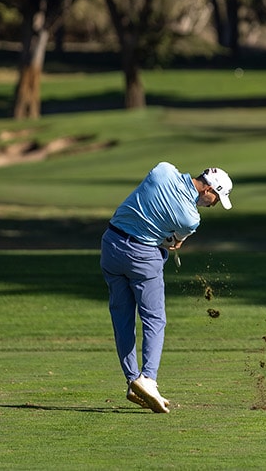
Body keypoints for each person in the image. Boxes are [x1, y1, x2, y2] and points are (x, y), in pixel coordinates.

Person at [102, 162, 233, 413]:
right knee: (154, 319)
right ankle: (148, 379)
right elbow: (172, 242)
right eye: (216, 199)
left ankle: (133, 380)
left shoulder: (162, 170)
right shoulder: (191, 218)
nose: (212, 205)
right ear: (208, 190)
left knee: (122, 318)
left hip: (111, 245)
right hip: (142, 257)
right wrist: (174, 241)